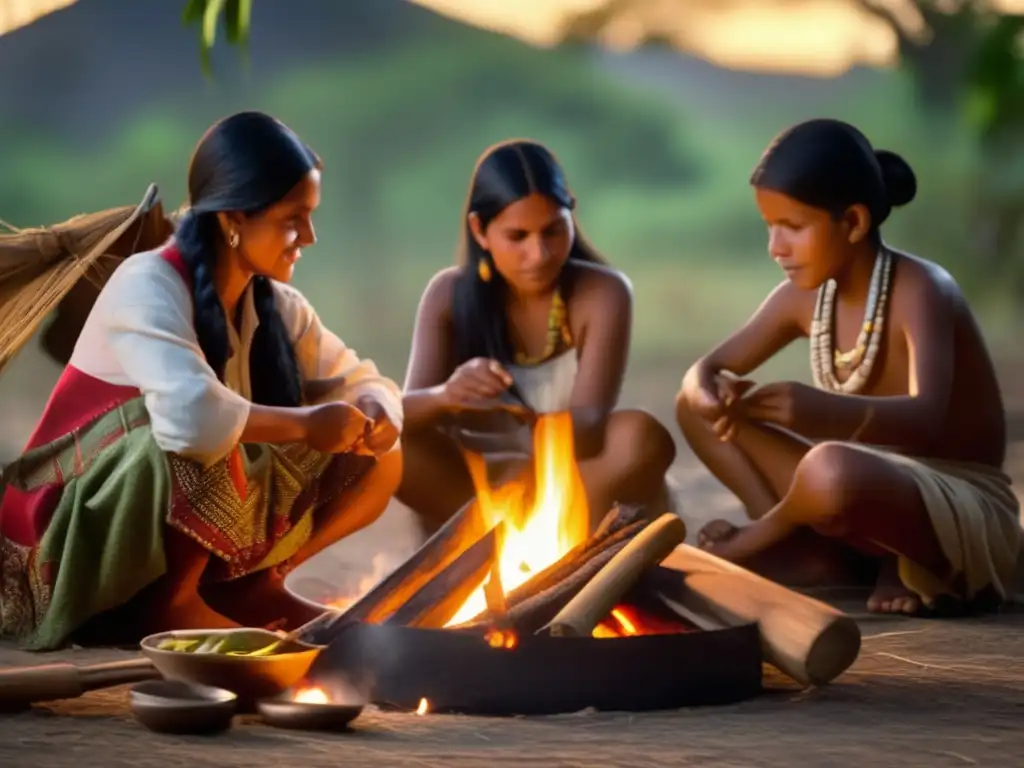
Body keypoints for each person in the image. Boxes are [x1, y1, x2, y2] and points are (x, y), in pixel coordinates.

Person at [0, 111, 403, 650]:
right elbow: (192, 419)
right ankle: (169, 605)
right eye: (293, 217)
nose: (309, 235)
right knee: (184, 435)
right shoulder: (146, 283)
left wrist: (375, 412)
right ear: (234, 219)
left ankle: (256, 586)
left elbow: (363, 380)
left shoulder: (279, 306)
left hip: (164, 528)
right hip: (69, 544)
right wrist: (307, 425)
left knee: (380, 454)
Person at [675, 118, 1022, 616]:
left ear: (854, 223)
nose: (776, 247)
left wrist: (818, 412)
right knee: (694, 410)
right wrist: (709, 393)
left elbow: (927, 419)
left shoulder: (922, 289)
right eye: (770, 228)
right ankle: (809, 549)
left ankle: (769, 537)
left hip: (953, 501)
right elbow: (704, 372)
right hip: (856, 491)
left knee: (831, 468)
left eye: (792, 227)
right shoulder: (805, 297)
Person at [398, 139, 677, 538]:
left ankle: (561, 554)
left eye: (552, 231)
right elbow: (401, 417)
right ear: (480, 229)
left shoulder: (602, 292)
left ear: (571, 215)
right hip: (477, 494)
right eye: (518, 236)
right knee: (391, 449)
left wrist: (513, 428)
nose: (540, 253)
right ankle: (482, 550)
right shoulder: (448, 295)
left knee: (638, 436)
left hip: (579, 485)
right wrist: (448, 395)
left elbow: (588, 427)